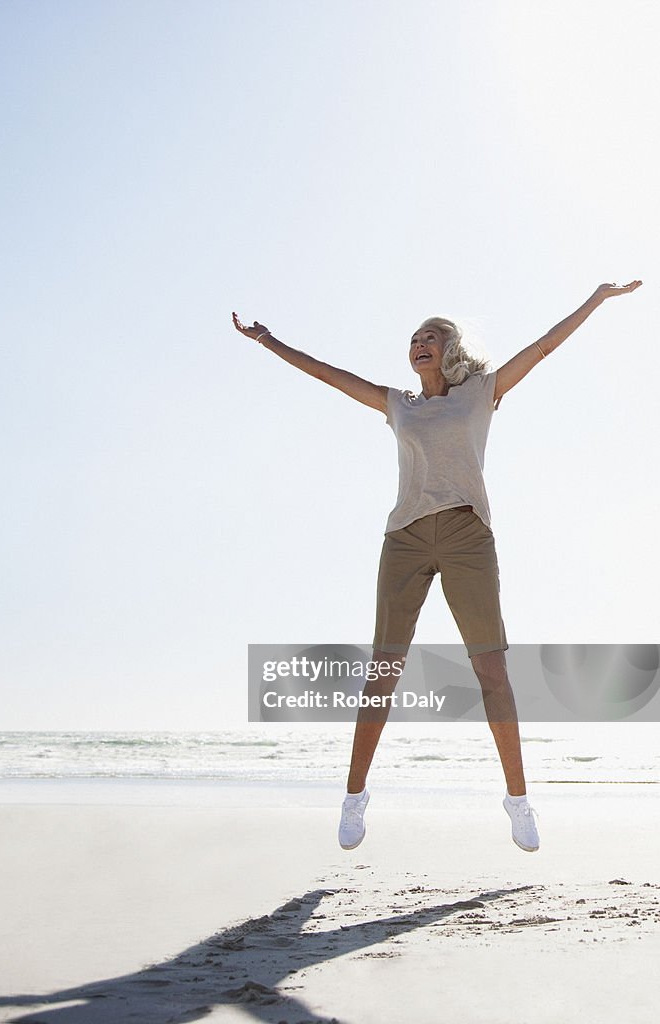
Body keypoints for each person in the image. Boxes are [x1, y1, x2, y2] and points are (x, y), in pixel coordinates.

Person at [232, 280, 642, 853]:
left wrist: (596, 300)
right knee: (384, 671)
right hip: (404, 537)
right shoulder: (398, 404)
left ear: (450, 348)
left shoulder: (481, 392)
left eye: (431, 335)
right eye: (414, 337)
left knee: (491, 671)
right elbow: (328, 375)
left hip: (466, 535)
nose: (419, 342)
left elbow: (544, 347)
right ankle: (354, 797)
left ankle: (518, 802)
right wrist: (269, 340)